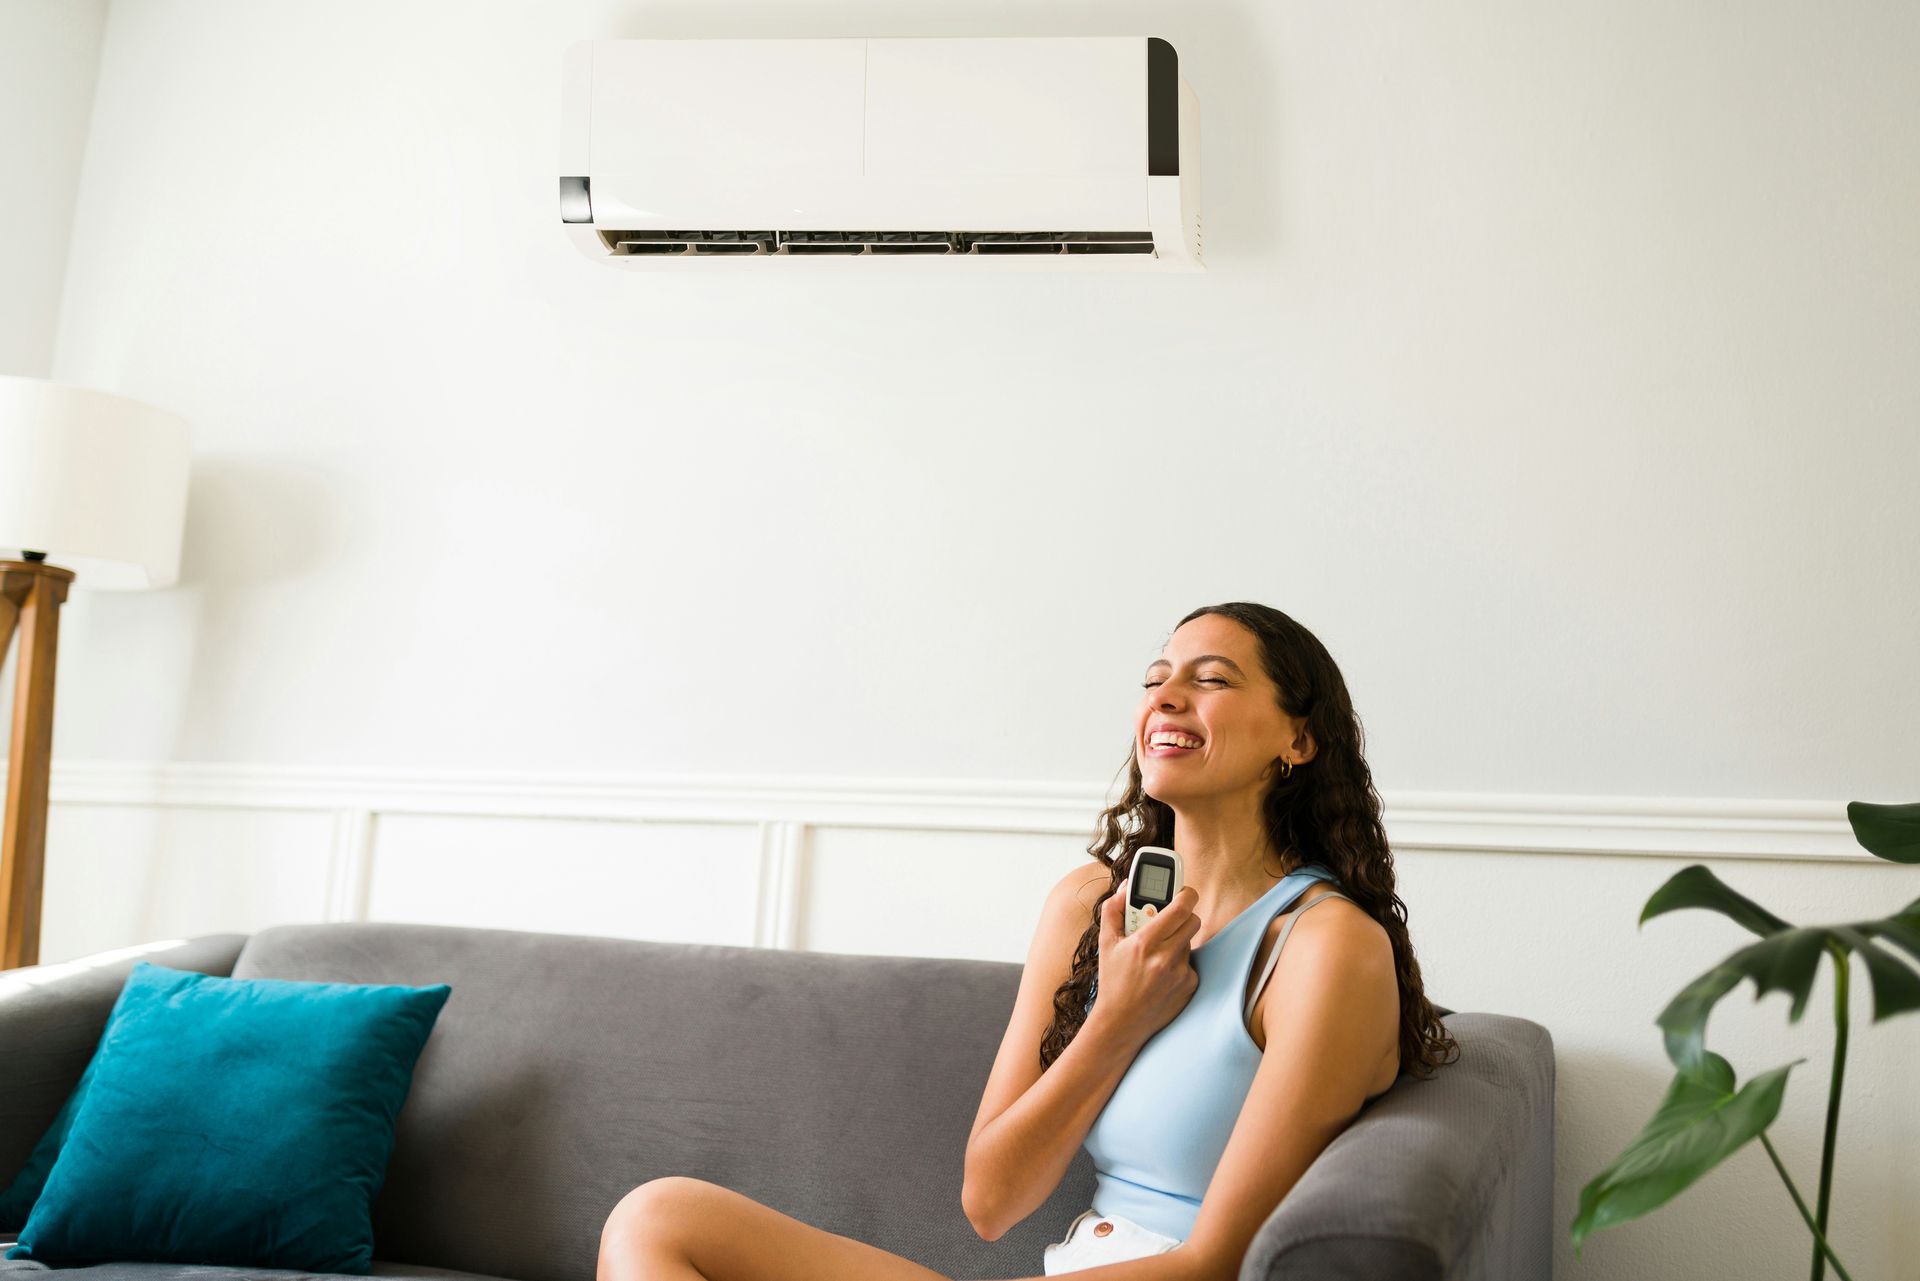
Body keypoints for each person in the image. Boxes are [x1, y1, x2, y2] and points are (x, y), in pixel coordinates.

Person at [595, 602, 1457, 1281]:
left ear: (1299, 740)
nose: (1165, 697)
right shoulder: (1088, 905)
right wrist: (1116, 1020)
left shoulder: (1321, 947)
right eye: (1156, 679)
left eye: (1212, 679)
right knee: (658, 1216)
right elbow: (991, 1198)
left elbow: (1216, 1265)